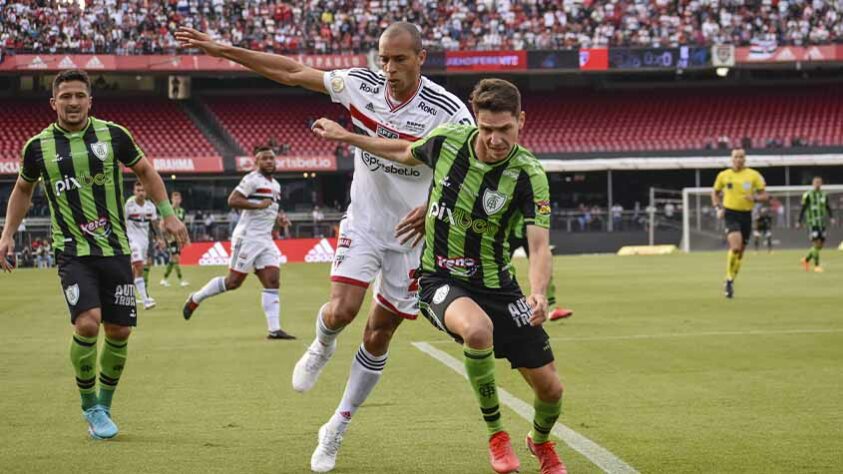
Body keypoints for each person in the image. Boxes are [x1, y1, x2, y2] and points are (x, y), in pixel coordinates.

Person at [178, 22, 475, 473]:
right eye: (384, 58)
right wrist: (223, 49)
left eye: (399, 59)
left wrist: (435, 204)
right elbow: (293, 72)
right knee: (340, 312)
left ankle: (336, 425)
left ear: (421, 58)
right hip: (365, 222)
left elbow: (471, 171)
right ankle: (321, 345)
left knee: (379, 335)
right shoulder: (360, 84)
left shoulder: (448, 111)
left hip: (413, 237)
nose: (389, 68)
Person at [312, 78, 566, 474]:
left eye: (505, 129)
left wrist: (536, 294)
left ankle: (540, 441)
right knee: (477, 331)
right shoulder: (448, 140)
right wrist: (350, 137)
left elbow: (537, 245)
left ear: (522, 121)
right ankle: (497, 435)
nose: (496, 139)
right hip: (441, 278)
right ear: (476, 122)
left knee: (551, 390)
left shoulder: (529, 175)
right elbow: (400, 150)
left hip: (498, 284)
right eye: (487, 129)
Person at [0, 68, 188, 440]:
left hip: (115, 247)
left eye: (78, 96)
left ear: (90, 100)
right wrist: (7, 233)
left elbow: (147, 172)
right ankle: (89, 406)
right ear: (53, 102)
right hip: (72, 251)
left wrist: (167, 215)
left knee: (119, 331)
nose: (72, 102)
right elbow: (23, 190)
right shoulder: (37, 147)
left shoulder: (114, 135)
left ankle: (104, 403)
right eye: (65, 96)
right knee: (87, 323)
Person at [183, 146, 296, 340]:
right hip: (247, 238)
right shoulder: (251, 179)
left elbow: (268, 211)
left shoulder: (275, 185)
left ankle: (274, 329)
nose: (269, 161)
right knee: (233, 282)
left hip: (265, 239)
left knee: (273, 280)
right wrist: (256, 205)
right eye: (265, 159)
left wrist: (279, 220)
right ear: (256, 162)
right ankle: (196, 298)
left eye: (272, 158)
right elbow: (233, 200)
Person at [711, 148, 768, 298]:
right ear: (732, 159)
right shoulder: (723, 175)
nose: (739, 159)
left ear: (745, 158)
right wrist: (718, 208)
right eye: (736, 157)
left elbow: (764, 195)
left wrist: (755, 198)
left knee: (741, 253)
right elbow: (715, 193)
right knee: (735, 247)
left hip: (746, 215)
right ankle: (729, 280)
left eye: (741, 157)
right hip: (730, 213)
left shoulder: (753, 175)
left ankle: (730, 280)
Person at [125, 181, 158, 309]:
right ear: (134, 192)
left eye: (142, 190)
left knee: (135, 269)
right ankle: (146, 300)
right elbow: (122, 220)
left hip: (144, 241)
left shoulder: (150, 207)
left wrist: (159, 238)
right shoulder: (129, 204)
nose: (140, 193)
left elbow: (154, 223)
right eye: (138, 190)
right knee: (139, 266)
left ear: (146, 192)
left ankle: (129, 295)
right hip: (132, 240)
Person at [798, 176, 835, 272]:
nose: (818, 184)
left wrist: (831, 217)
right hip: (812, 222)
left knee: (820, 245)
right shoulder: (808, 195)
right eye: (816, 182)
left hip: (822, 223)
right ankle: (817, 266)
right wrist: (799, 221)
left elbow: (827, 207)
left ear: (821, 184)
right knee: (816, 243)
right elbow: (803, 208)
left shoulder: (824, 195)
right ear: (813, 184)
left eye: (819, 182)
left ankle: (806, 260)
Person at [160, 191, 189, 287]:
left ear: (181, 200)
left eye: (178, 199)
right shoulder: (168, 211)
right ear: (171, 200)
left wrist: (186, 237)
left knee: (173, 259)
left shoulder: (182, 211)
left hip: (179, 239)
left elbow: (183, 225)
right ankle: (181, 280)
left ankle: (164, 279)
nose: (176, 201)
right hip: (171, 238)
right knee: (175, 258)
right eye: (175, 199)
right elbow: (162, 224)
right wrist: (166, 236)